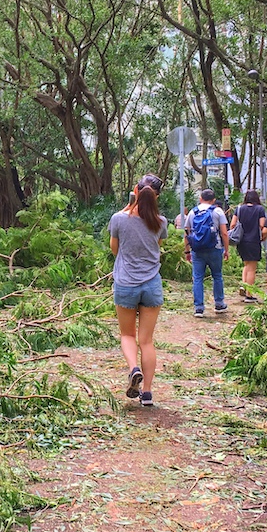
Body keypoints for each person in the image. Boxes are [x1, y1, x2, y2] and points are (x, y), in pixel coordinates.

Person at [108, 174, 168, 407]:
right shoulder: (161, 222)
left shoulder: (118, 219)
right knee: (147, 341)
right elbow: (156, 246)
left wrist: (128, 208)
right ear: (157, 197)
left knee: (127, 335)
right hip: (151, 284)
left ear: (135, 190)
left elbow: (115, 249)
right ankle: (148, 393)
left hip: (126, 284)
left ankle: (134, 368)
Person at [184, 189, 229, 317]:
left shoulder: (193, 212)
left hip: (197, 250)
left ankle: (199, 308)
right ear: (214, 200)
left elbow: (187, 233)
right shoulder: (218, 211)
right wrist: (226, 250)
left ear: (200, 198)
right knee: (217, 276)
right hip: (215, 248)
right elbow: (224, 233)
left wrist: (187, 250)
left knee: (198, 278)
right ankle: (219, 304)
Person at [228, 190, 266, 303]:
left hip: (241, 241)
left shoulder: (239, 208)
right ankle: (249, 295)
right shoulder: (260, 209)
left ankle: (243, 286)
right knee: (252, 269)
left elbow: (232, 224)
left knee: (246, 264)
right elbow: (262, 225)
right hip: (253, 241)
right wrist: (263, 236)